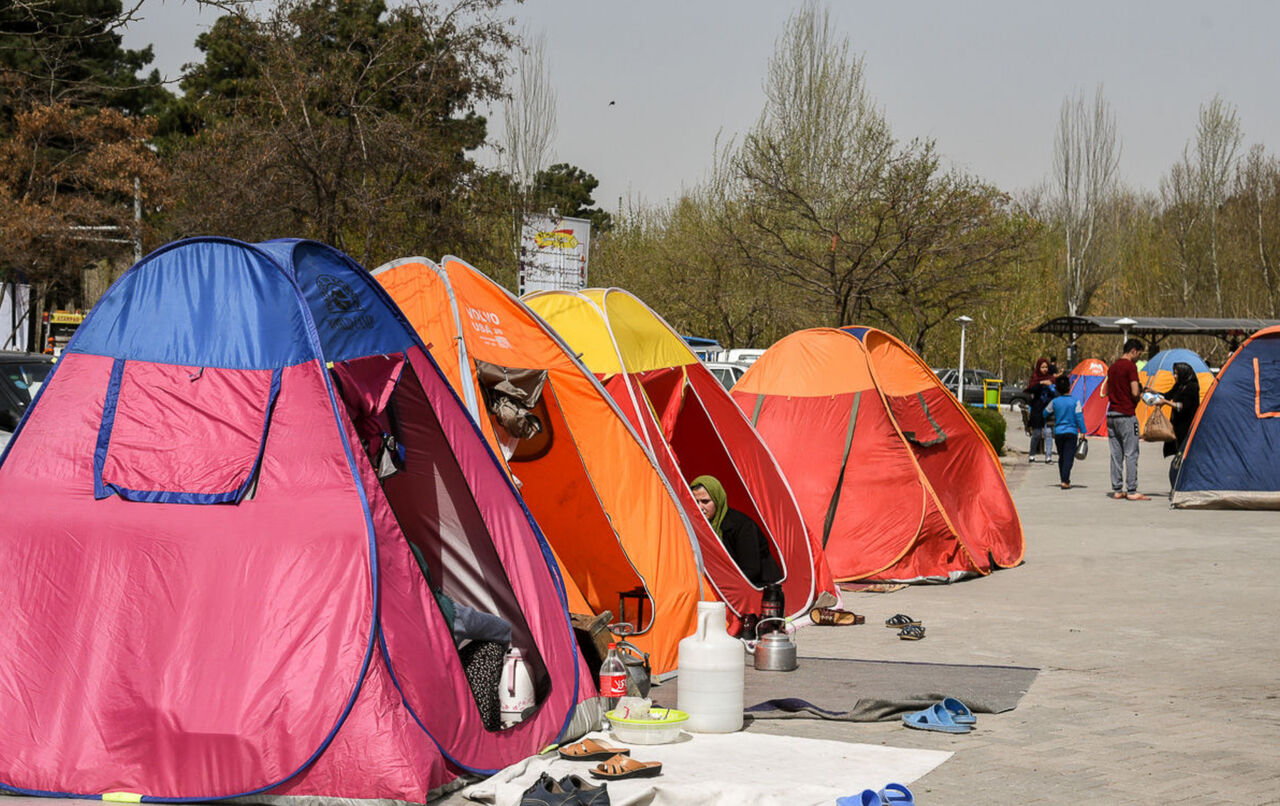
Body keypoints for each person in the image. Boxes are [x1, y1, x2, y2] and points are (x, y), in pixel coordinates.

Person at [690, 475, 781, 587]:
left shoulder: (741, 526)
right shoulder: (698, 525)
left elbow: (751, 570)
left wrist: (722, 585)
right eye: (695, 501)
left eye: (705, 501)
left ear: (718, 500)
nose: (700, 507)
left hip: (761, 587)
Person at [1102, 338, 1148, 501]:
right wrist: (1139, 395)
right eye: (1139, 354)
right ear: (1133, 351)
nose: (1139, 358)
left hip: (1112, 415)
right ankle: (1132, 490)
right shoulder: (1130, 367)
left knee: (1116, 454)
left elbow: (1106, 390)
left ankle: (1116, 489)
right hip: (1127, 415)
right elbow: (1135, 392)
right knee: (1131, 453)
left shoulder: (1112, 367)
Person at [1155, 362, 1201, 492]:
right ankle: (1177, 483)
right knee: (1177, 453)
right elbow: (1168, 395)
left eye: (1176, 373)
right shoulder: (1180, 386)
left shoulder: (1192, 387)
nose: (1174, 376)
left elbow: (1182, 406)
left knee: (1183, 455)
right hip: (1177, 426)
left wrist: (1166, 403)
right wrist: (1153, 392)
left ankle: (1181, 482)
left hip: (1186, 426)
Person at [1048, 375, 1087, 489]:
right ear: (1069, 387)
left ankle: (1063, 479)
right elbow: (1079, 417)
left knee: (1062, 456)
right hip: (1072, 433)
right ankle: (1065, 480)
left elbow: (1045, 413)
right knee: (1069, 456)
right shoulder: (1076, 402)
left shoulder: (1054, 402)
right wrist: (1083, 431)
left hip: (1058, 432)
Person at [1024, 358, 1056, 463]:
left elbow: (1056, 392)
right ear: (1038, 367)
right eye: (1042, 367)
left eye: (1046, 367)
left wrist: (1050, 385)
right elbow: (1031, 389)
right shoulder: (1035, 379)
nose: (1045, 369)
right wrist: (1041, 383)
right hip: (1037, 409)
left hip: (1048, 409)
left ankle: (1048, 457)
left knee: (1048, 432)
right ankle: (1032, 454)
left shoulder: (1051, 379)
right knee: (1037, 433)